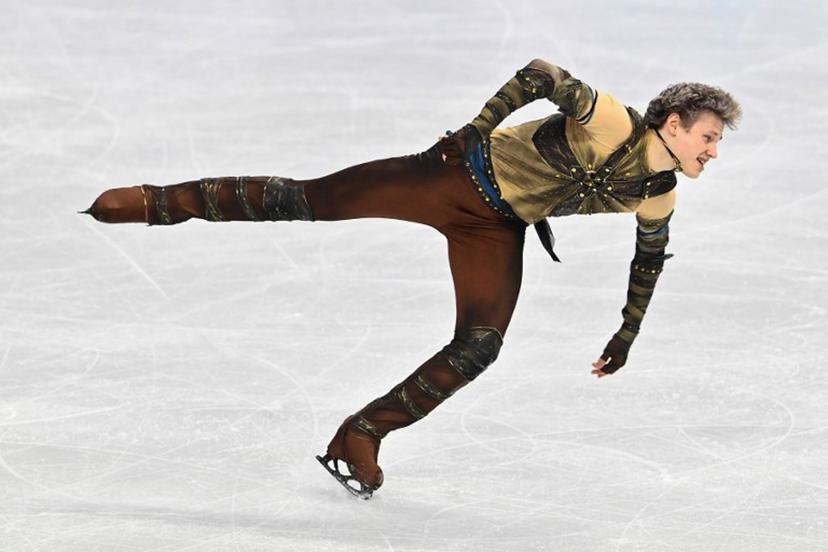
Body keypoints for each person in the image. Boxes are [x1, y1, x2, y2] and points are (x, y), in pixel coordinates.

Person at [82, 58, 742, 499]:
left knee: (479, 343)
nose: (714, 151)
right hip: (450, 177)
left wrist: (626, 335)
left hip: (494, 228)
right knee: (309, 199)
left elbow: (648, 259)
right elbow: (542, 73)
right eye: (708, 137)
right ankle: (160, 202)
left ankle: (362, 433)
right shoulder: (611, 120)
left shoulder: (660, 191)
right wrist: (475, 129)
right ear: (674, 123)